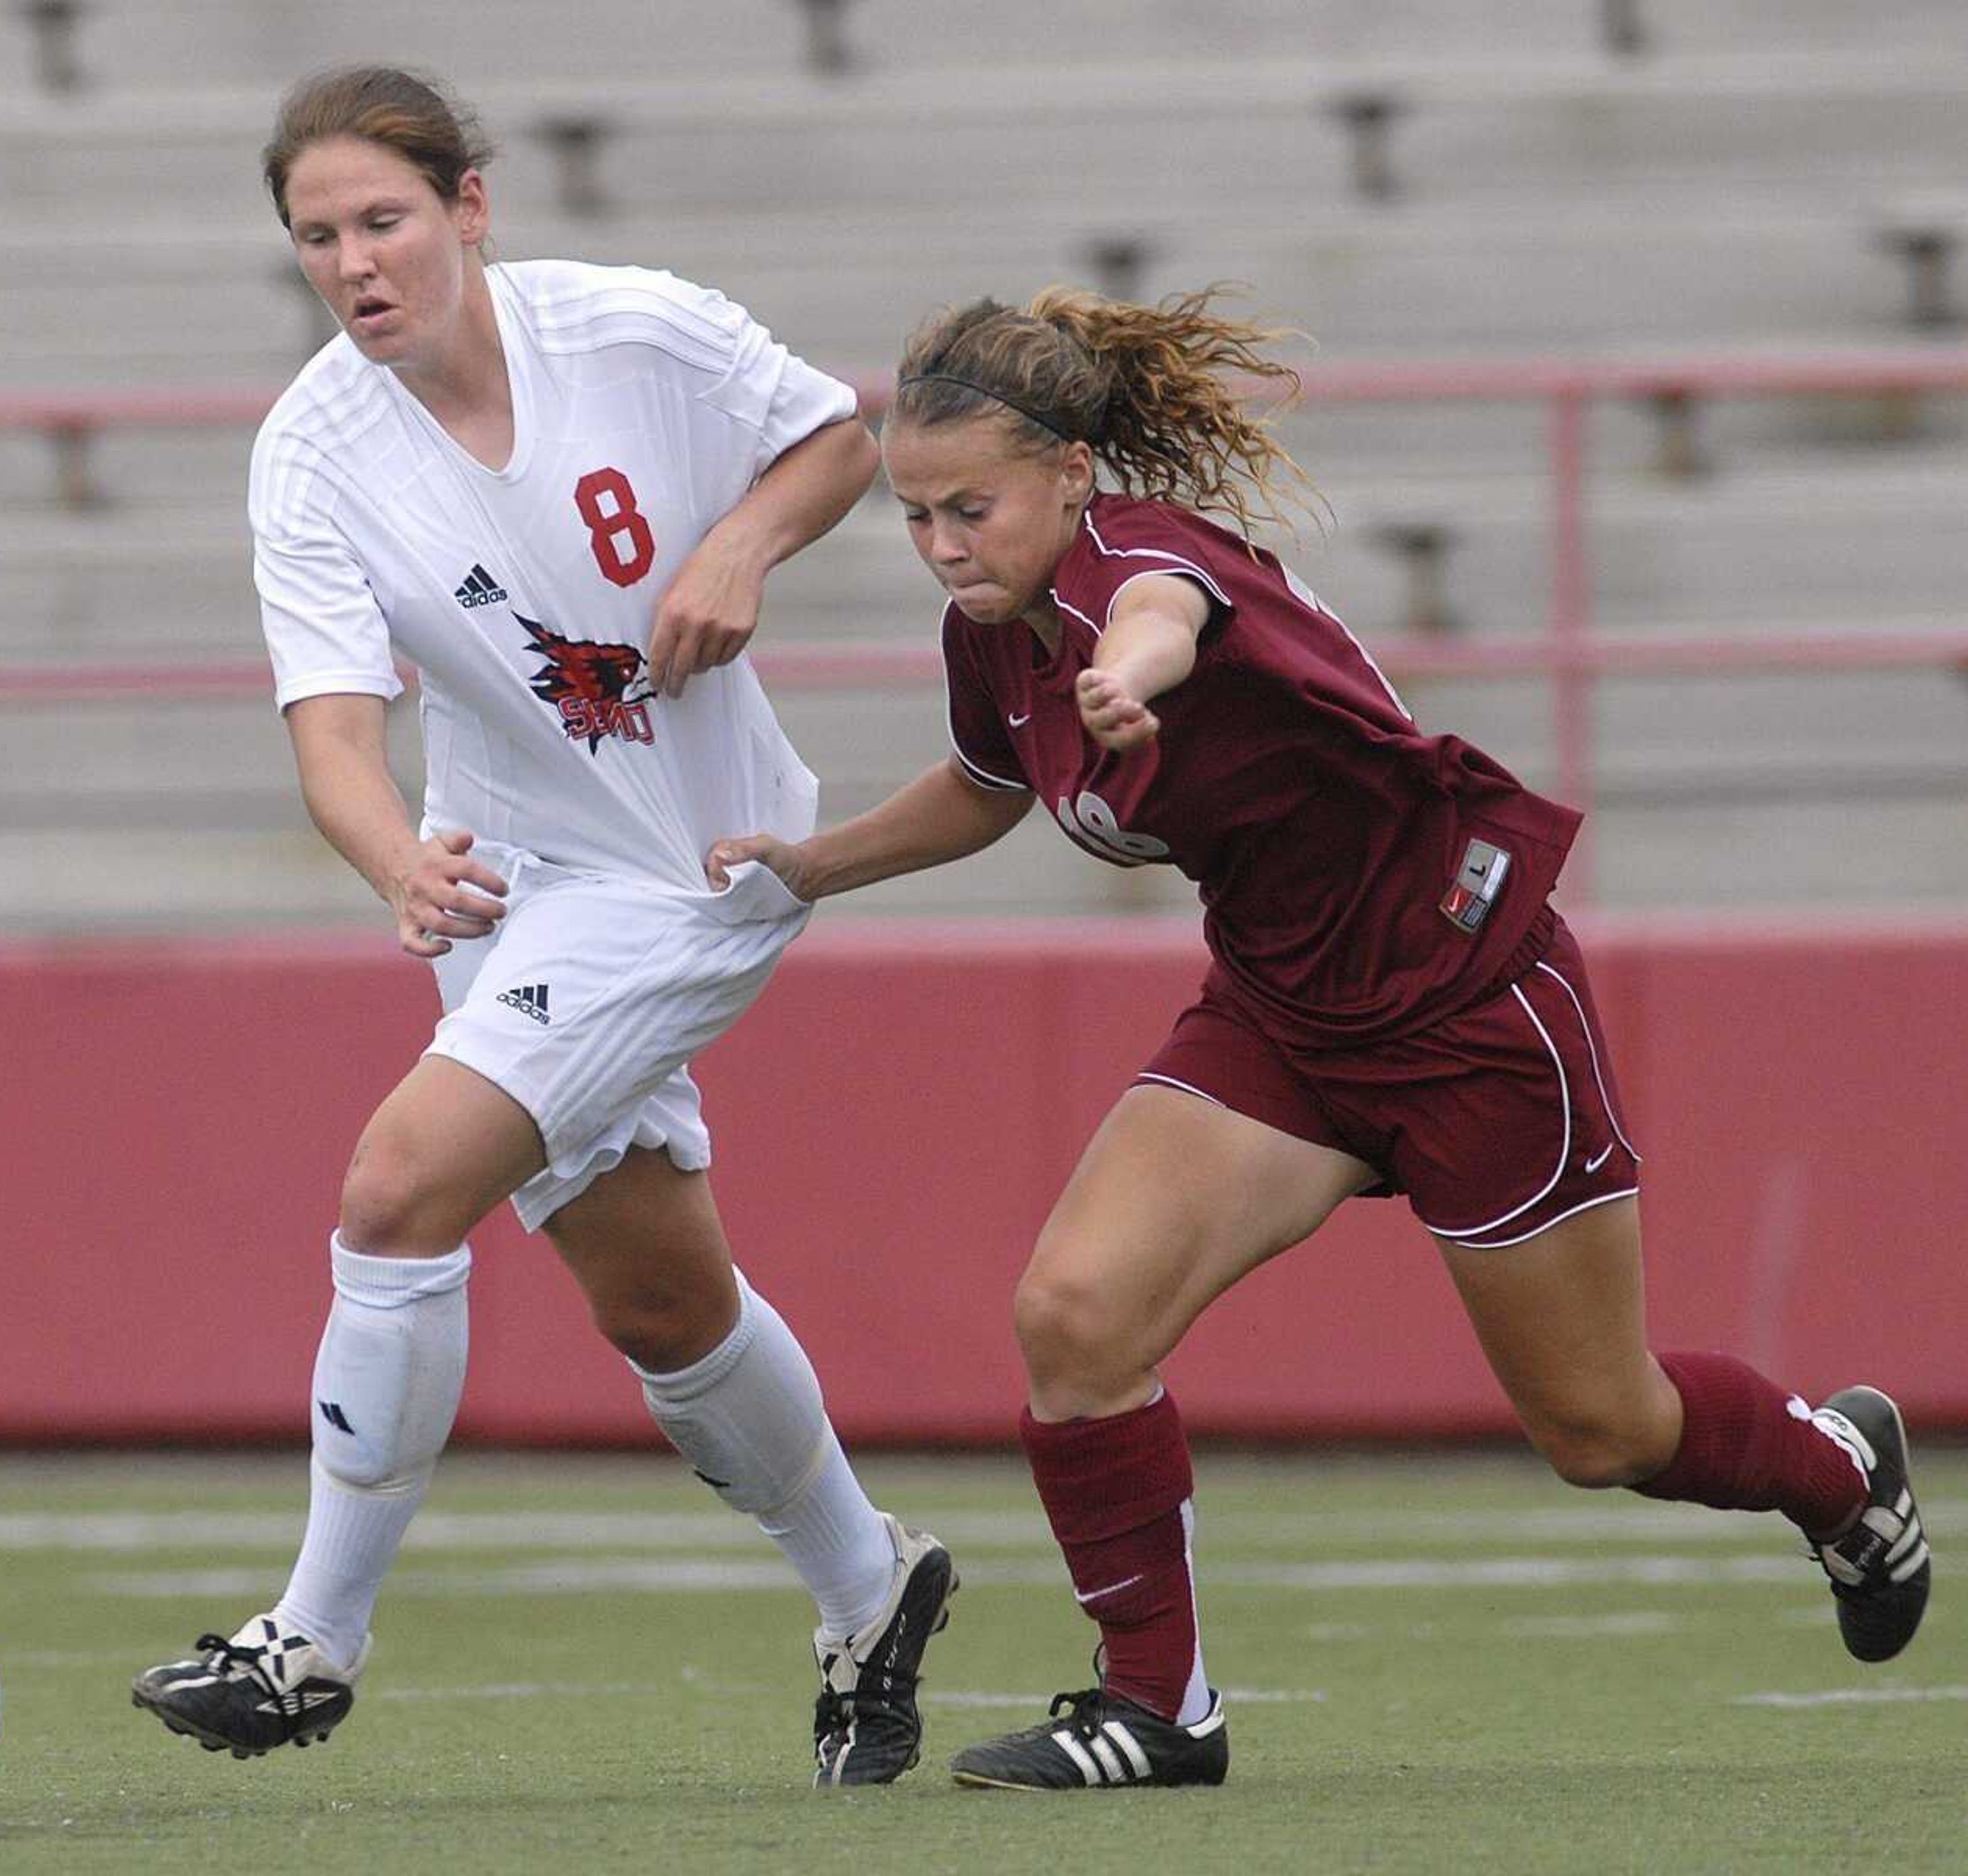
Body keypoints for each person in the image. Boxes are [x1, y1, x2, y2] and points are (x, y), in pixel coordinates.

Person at [706, 287, 1931, 1792]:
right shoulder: (1000, 629)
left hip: (1464, 1001)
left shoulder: (1137, 572)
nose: (946, 545)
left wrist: (1133, 673)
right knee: (1077, 1317)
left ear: (1075, 475)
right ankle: (1161, 1707)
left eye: (974, 507)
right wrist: (818, 863)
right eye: (916, 516)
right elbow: (987, 785)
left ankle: (1841, 1470)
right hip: (1284, 1015)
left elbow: (1170, 614)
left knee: (1603, 1427)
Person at [129, 65, 954, 1788]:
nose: (355, 263)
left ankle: (312, 1638)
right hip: (499, 880)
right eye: (318, 237)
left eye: (384, 220)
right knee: (660, 1299)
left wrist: (739, 542)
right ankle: (874, 1587)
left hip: (693, 864)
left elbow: (839, 436)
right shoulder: (312, 451)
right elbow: (334, 732)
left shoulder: (633, 330)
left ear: (468, 210)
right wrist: (389, 865)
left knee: (393, 1186)